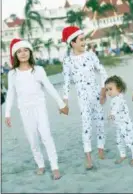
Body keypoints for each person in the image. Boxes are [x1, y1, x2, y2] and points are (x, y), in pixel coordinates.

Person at [5, 38, 69, 180]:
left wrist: (61, 104)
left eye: (26, 50)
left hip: (40, 108)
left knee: (46, 136)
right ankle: (40, 164)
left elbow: (49, 87)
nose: (23, 53)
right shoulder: (12, 74)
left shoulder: (38, 70)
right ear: (15, 54)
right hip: (24, 110)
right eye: (19, 51)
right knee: (33, 139)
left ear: (30, 52)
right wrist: (7, 113)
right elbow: (10, 94)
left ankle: (54, 167)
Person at [62, 26, 108, 170]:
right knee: (86, 126)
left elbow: (102, 72)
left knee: (100, 123)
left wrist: (103, 91)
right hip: (83, 99)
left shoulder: (91, 55)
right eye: (81, 40)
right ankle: (88, 157)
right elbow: (66, 82)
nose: (84, 42)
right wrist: (65, 101)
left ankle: (100, 149)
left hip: (96, 96)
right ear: (72, 43)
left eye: (84, 39)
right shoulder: (68, 61)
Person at [105, 75, 133, 165]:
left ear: (118, 89)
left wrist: (112, 114)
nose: (108, 92)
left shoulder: (119, 99)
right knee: (119, 141)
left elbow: (115, 108)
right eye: (107, 90)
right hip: (119, 125)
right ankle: (123, 155)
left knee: (129, 141)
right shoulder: (114, 99)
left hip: (126, 125)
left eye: (110, 89)